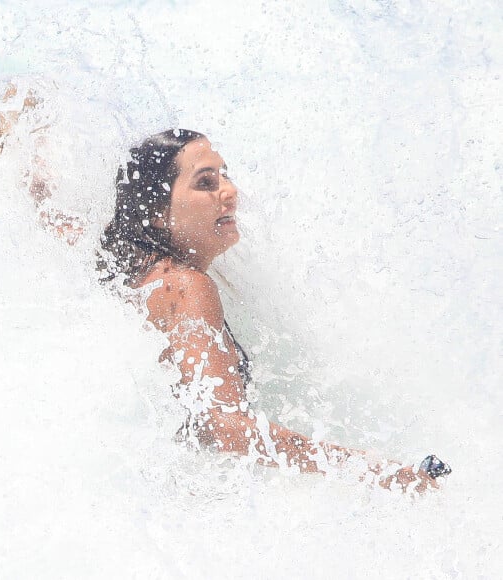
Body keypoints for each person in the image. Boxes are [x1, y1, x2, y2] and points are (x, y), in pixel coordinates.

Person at [98, 129, 444, 493]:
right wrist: (372, 472)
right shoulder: (187, 287)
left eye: (225, 174)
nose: (229, 192)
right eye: (205, 183)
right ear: (156, 213)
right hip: (194, 494)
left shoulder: (135, 274)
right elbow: (224, 427)